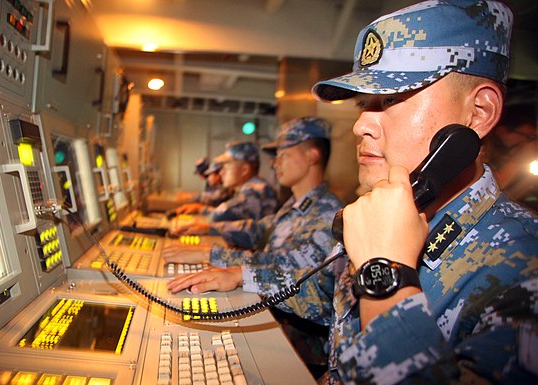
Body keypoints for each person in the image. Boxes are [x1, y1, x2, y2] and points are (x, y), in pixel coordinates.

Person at [308, 1, 538, 384]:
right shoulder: (382, 214)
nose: (361, 124)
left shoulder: (525, 267)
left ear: (479, 112)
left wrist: (385, 275)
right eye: (366, 103)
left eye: (393, 99)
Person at [164, 117, 344, 376]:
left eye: (284, 154)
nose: (275, 162)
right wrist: (208, 232)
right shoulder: (297, 204)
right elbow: (258, 228)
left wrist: (226, 264)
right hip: (276, 318)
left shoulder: (326, 212)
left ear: (312, 156)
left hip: (300, 345)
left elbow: (286, 266)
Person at [173, 141, 278, 222]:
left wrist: (200, 209)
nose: (221, 172)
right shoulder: (249, 188)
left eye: (227, 165)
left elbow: (218, 216)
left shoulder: (256, 191)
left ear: (244, 170)